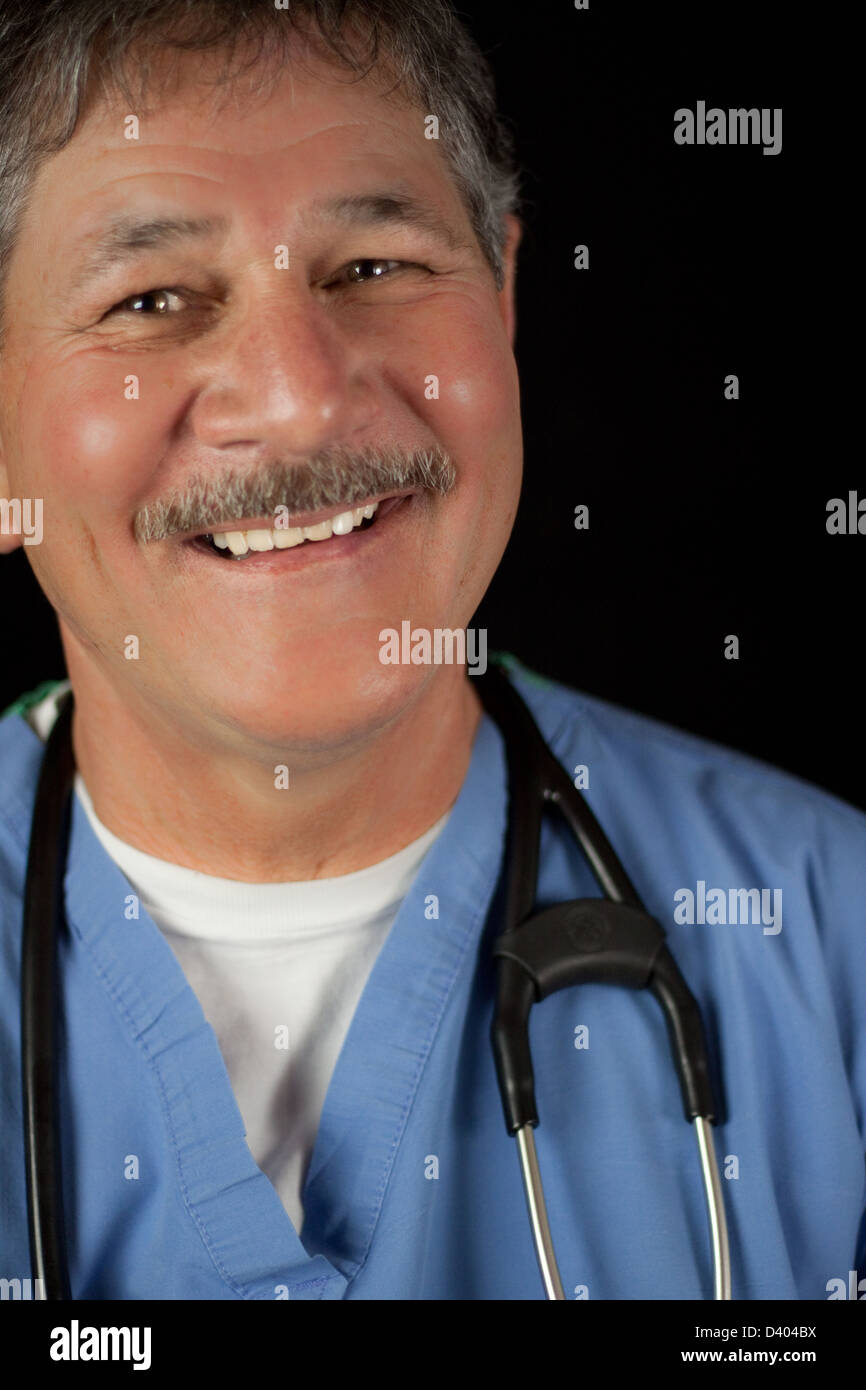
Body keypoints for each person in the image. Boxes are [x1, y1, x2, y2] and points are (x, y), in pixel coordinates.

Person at [0, 0, 863, 1303]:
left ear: (506, 301)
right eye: (153, 298)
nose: (296, 390)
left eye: (373, 269)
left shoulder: (832, 932)